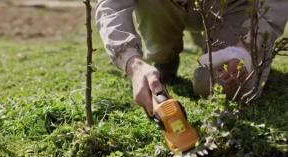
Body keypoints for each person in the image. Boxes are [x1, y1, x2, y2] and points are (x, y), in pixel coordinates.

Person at [95, 0, 288, 112]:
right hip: (167, 4)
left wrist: (246, 46)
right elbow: (111, 7)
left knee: (219, 86)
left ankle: (233, 50)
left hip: (231, 6)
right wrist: (132, 63)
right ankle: (164, 57)